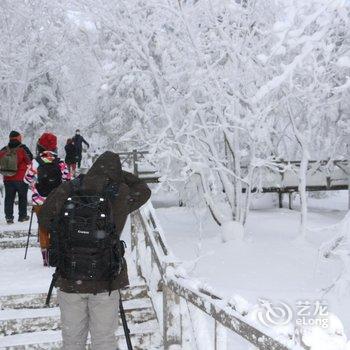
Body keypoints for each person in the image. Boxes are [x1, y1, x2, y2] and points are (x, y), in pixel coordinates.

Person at [38, 151, 151, 350]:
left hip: (70, 278)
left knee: (72, 342)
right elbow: (144, 190)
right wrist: (121, 176)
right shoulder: (120, 193)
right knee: (104, 341)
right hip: (105, 279)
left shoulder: (69, 188)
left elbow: (45, 218)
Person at [24, 132, 70, 266]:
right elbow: (67, 179)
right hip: (57, 200)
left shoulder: (36, 162)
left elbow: (27, 179)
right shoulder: (60, 162)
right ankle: (57, 253)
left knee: (43, 227)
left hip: (40, 200)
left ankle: (45, 257)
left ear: (41, 146)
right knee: (58, 226)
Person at [0, 131, 33, 224]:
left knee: (9, 198)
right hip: (21, 179)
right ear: (19, 138)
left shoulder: (4, 149)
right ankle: (22, 216)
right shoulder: (23, 149)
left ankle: (9, 217)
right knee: (22, 198)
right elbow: (29, 160)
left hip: (7, 179)